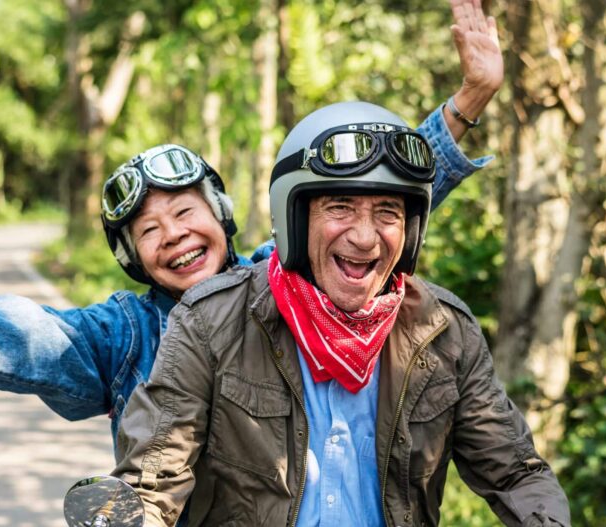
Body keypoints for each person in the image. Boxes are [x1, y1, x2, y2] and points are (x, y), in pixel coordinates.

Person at [0, 0, 503, 440]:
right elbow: (37, 336)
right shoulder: (126, 332)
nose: (173, 234)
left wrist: (468, 99)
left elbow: (373, 205)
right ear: (135, 257)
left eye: (184, 211)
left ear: (223, 217)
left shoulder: (282, 275)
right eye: (148, 229)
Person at [110, 101, 571, 526]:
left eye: (388, 212)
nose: (366, 237)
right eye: (341, 208)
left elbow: (516, 474)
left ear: (409, 232)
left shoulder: (445, 331)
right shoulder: (210, 321)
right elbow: (151, 483)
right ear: (294, 217)